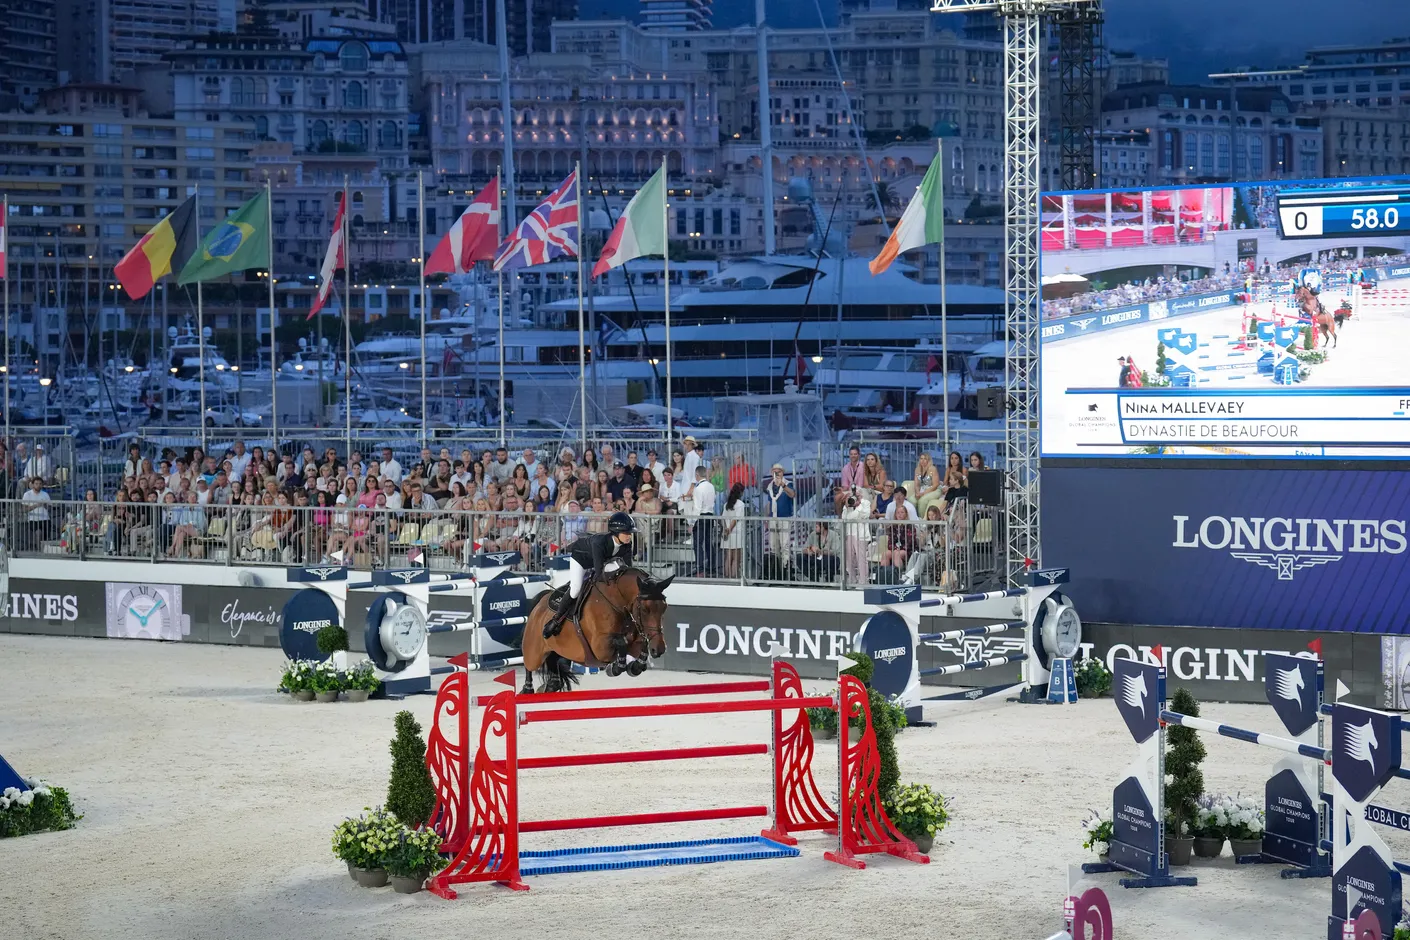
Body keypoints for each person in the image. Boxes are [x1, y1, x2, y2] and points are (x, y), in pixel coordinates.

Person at [542, 511, 636, 638]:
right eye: (626, 533)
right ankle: (556, 620)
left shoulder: (627, 545)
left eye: (630, 533)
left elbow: (627, 569)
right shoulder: (600, 542)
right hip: (581, 560)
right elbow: (598, 573)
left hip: (601, 560)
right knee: (575, 589)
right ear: (616, 532)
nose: (629, 536)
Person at [690, 465, 717, 577]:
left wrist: (692, 523)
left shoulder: (698, 489)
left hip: (701, 517)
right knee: (708, 543)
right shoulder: (711, 486)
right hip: (710, 516)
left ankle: (700, 569)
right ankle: (712, 567)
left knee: (697, 544)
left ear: (697, 475)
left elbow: (697, 507)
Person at [763, 462, 794, 557]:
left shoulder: (788, 484)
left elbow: (792, 495)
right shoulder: (770, 486)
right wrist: (766, 518)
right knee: (773, 545)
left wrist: (783, 486)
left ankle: (786, 567)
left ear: (782, 473)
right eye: (774, 472)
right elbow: (769, 503)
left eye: (779, 472)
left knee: (785, 545)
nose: (776, 474)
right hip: (773, 518)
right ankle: (776, 568)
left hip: (784, 518)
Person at [721, 481, 747, 579]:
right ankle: (734, 576)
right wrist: (729, 529)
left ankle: (727, 576)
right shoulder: (740, 504)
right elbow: (736, 519)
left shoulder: (726, 504)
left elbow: (723, 518)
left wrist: (725, 529)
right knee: (736, 557)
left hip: (727, 533)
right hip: (736, 532)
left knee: (728, 556)